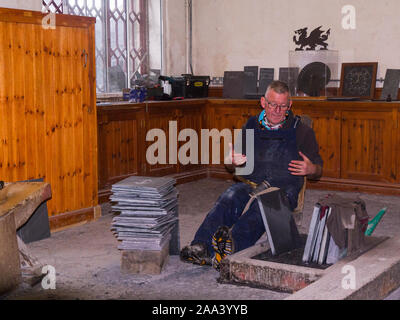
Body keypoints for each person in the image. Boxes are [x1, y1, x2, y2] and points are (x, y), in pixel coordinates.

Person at [180, 80, 323, 270]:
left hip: (282, 191)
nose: (277, 110)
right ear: (263, 102)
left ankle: (231, 248)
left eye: (282, 106)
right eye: (272, 104)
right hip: (252, 183)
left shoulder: (302, 131)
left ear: (290, 105)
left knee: (261, 208)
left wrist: (311, 169)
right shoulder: (252, 125)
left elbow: (319, 170)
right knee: (229, 196)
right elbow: (232, 167)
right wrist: (232, 161)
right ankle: (201, 246)